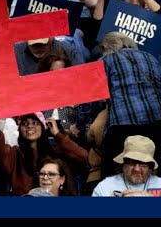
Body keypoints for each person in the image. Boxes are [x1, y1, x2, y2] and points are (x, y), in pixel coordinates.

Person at [98, 32, 161, 177]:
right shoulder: (150, 57)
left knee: (115, 172)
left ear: (108, 46)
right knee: (154, 170)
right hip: (155, 121)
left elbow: (99, 96)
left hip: (122, 124)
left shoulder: (105, 61)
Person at [0, 110, 89, 196]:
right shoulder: (14, 154)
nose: (30, 126)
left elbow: (83, 156)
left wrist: (57, 134)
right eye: (24, 123)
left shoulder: (56, 155)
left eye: (35, 123)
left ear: (43, 127)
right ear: (19, 130)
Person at [92, 135, 161, 196]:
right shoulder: (105, 187)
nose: (136, 169)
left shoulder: (159, 184)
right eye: (131, 163)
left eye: (143, 164)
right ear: (123, 164)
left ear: (150, 166)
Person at [14, 37, 85, 77]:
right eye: (34, 45)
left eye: (42, 44)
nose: (39, 48)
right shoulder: (14, 52)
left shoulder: (69, 51)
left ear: (51, 38)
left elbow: (82, 81)